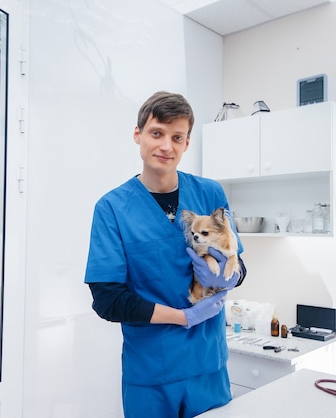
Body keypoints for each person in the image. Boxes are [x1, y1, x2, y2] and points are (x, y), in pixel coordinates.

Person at [84, 91, 247, 417]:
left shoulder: (209, 192)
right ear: (138, 134)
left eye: (177, 137)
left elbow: (240, 265)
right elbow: (108, 299)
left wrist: (228, 276)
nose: (166, 146)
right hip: (152, 375)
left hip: (209, 368)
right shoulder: (113, 209)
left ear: (187, 143)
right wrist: (183, 317)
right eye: (156, 133)